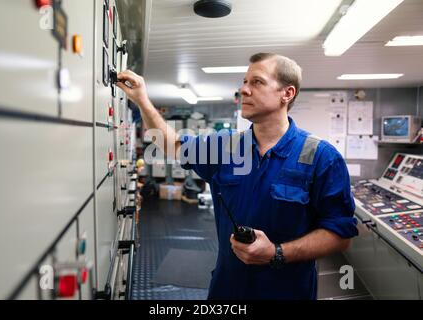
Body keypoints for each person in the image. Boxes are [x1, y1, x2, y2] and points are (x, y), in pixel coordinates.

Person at [116, 53, 358, 300]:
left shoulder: (322, 157)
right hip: (226, 290)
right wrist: (141, 99)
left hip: (287, 293)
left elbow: (340, 235)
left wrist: (276, 252)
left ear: (287, 93)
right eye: (244, 82)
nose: (244, 89)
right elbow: (170, 144)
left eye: (257, 82)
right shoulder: (224, 147)